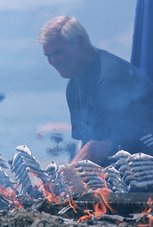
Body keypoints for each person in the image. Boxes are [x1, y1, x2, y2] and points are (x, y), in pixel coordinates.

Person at [39, 16, 153, 166]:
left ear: (80, 43)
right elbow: (87, 142)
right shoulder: (73, 86)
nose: (53, 61)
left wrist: (69, 173)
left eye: (58, 53)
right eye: (48, 56)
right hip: (117, 169)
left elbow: (99, 147)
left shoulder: (112, 77)